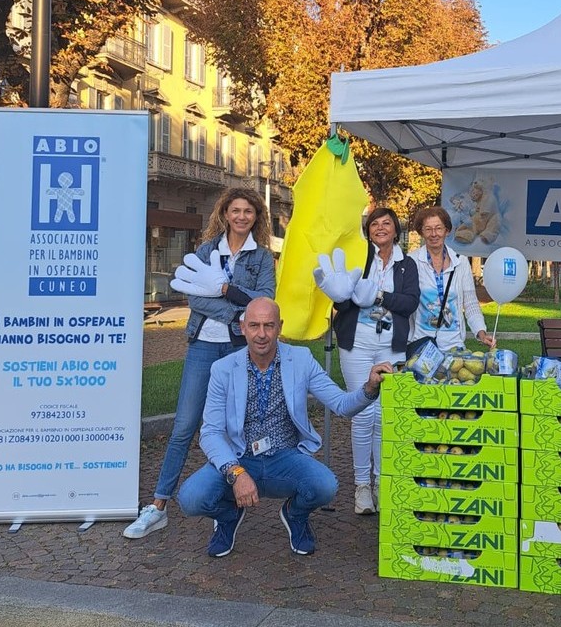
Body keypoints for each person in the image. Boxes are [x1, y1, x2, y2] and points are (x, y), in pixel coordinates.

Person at [176, 298, 391, 557]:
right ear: (242, 328)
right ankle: (229, 515)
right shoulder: (223, 369)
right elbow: (210, 432)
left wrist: (369, 388)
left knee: (325, 486)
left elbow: (341, 405)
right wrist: (236, 473)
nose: (262, 334)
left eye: (269, 325)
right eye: (254, 325)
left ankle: (295, 515)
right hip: (240, 457)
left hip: (285, 458)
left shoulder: (301, 359)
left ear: (280, 326)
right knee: (190, 498)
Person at [123, 188, 275, 539]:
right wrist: (238, 310)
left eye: (247, 211)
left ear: (256, 217)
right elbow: (195, 299)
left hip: (240, 350)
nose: (240, 217)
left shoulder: (262, 257)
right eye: (235, 210)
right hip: (204, 347)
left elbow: (265, 300)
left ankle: (226, 502)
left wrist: (223, 291)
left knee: (236, 427)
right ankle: (158, 505)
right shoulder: (207, 251)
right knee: (184, 426)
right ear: (224, 214)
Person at [331, 207, 419, 515]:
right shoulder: (357, 257)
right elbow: (339, 302)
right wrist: (348, 292)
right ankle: (361, 486)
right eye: (374, 224)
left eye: (387, 224)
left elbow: (409, 304)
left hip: (391, 347)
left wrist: (378, 296)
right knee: (363, 414)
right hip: (356, 344)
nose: (380, 228)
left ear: (396, 230)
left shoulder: (407, 265)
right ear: (368, 231)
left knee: (384, 417)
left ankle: (382, 481)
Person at [409, 206, 495, 352]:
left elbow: (470, 303)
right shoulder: (412, 261)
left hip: (454, 345)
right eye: (428, 229)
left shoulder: (460, 262)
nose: (434, 234)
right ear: (421, 232)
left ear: (447, 231)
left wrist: (481, 332)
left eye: (438, 228)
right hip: (422, 346)